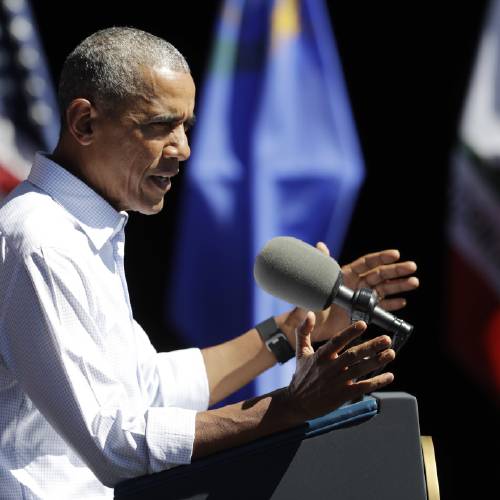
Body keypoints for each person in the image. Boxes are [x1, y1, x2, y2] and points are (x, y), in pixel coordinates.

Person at [0, 27, 419, 498]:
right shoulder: (39, 240)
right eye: (160, 125)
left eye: (186, 126)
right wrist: (288, 407)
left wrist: (291, 328)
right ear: (85, 124)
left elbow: (147, 390)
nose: (183, 149)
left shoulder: (81, 230)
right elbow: (115, 442)